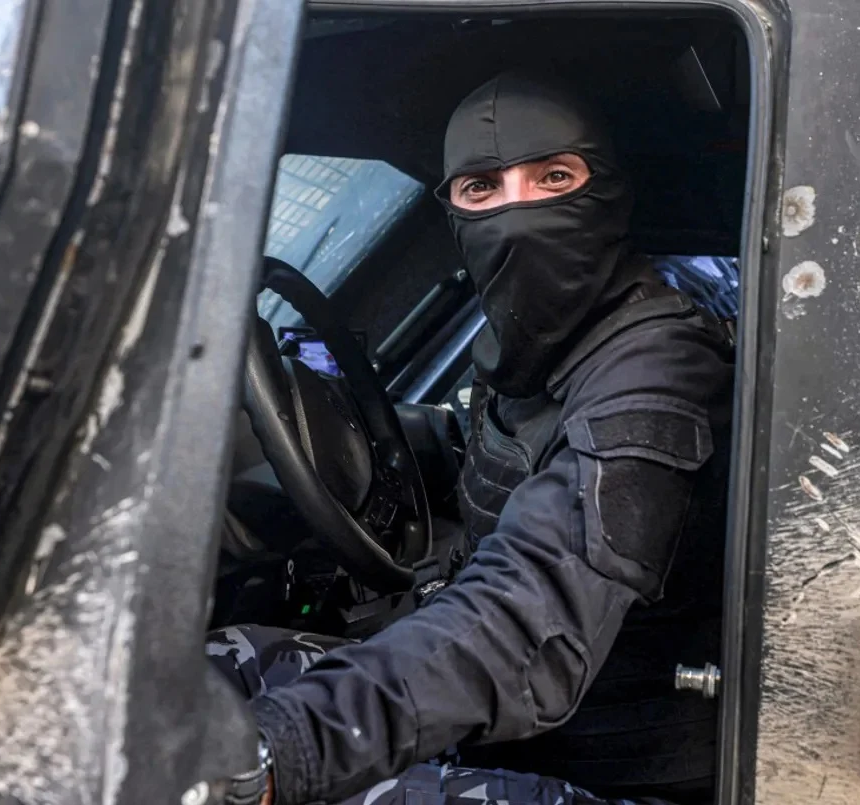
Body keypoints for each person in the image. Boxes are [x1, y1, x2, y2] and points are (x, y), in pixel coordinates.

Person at [207, 72, 736, 805]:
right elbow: (510, 457)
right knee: (212, 677)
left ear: (610, 191)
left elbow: (525, 625)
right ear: (453, 210)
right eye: (483, 189)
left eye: (553, 178)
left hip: (619, 771)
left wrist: (283, 755)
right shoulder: (535, 348)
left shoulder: (658, 370)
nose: (516, 214)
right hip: (521, 729)